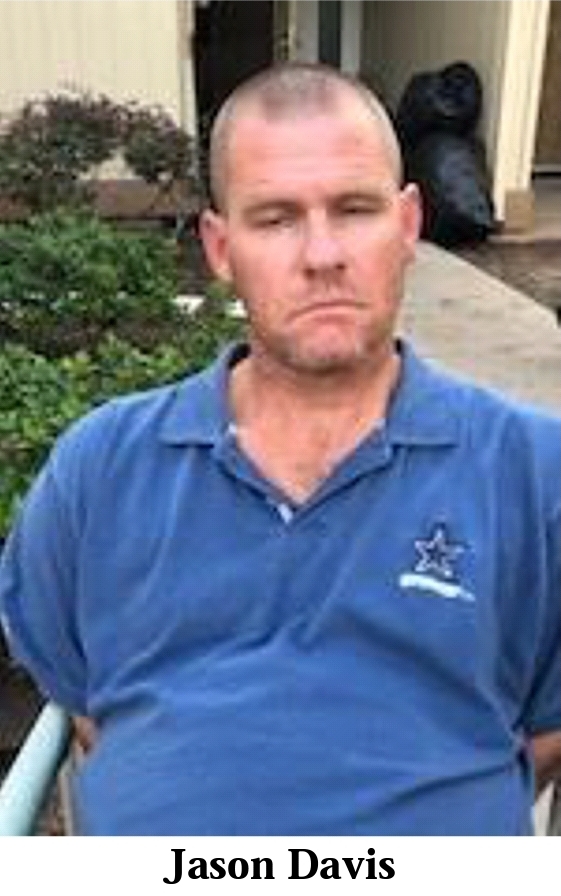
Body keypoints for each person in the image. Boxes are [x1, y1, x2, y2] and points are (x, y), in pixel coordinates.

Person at [1, 63, 560, 835]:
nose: (321, 254)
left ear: (406, 225)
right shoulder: (99, 470)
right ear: (219, 246)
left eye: (354, 209)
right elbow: (91, 710)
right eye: (274, 219)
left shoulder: (534, 474)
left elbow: (543, 736)